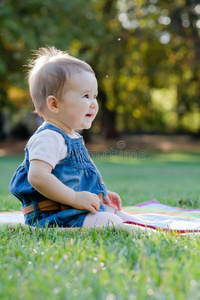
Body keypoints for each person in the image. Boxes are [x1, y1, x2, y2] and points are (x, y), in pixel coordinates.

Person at [9, 46, 137, 228]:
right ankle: (132, 227)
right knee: (111, 222)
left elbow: (75, 177)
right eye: (86, 96)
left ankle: (150, 228)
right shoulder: (49, 138)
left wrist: (101, 193)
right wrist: (75, 198)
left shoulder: (72, 137)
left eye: (95, 96)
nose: (93, 104)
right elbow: (37, 177)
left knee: (114, 212)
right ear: (54, 104)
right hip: (52, 215)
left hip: (70, 210)